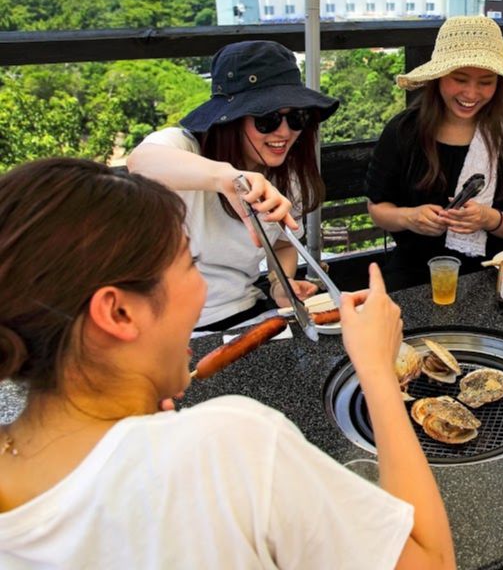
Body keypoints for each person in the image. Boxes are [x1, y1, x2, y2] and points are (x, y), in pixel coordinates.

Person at [0, 158, 456, 570]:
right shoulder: (231, 444)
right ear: (119, 313)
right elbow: (431, 563)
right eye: (190, 263)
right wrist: (375, 370)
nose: (201, 287)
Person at [127, 40, 340, 331]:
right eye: (268, 119)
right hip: (174, 327)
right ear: (231, 120)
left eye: (297, 118)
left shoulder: (286, 176)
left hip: (247, 315)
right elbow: (140, 161)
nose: (285, 131)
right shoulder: (185, 147)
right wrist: (227, 178)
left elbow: (281, 242)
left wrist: (281, 284)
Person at [365, 16, 503, 289]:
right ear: (438, 78)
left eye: (486, 82)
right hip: (413, 273)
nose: (471, 93)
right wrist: (409, 218)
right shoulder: (405, 129)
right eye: (459, 79)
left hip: (490, 273)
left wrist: (488, 218)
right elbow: (377, 208)